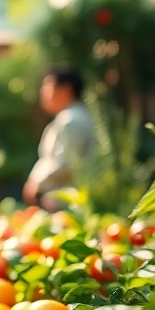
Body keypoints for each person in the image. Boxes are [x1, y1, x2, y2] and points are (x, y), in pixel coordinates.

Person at [23, 66, 95, 210]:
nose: (43, 93)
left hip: (68, 203)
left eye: (48, 86)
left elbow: (65, 162)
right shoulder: (69, 117)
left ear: (65, 89)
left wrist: (36, 180)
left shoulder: (71, 120)